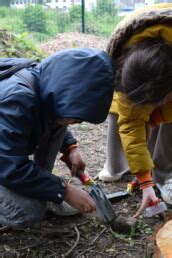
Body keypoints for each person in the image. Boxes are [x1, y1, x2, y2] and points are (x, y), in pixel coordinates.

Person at [0, 48, 114, 227]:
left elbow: (50, 114)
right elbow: (8, 165)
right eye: (77, 117)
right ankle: (42, 193)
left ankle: (43, 190)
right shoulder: (17, 99)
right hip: (4, 161)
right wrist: (64, 190)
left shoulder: (44, 82)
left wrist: (70, 147)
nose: (76, 122)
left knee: (59, 122)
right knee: (28, 210)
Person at [98, 3, 172, 217]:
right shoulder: (122, 57)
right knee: (125, 110)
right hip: (135, 48)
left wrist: (157, 117)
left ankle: (165, 174)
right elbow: (131, 124)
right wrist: (145, 182)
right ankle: (118, 166)